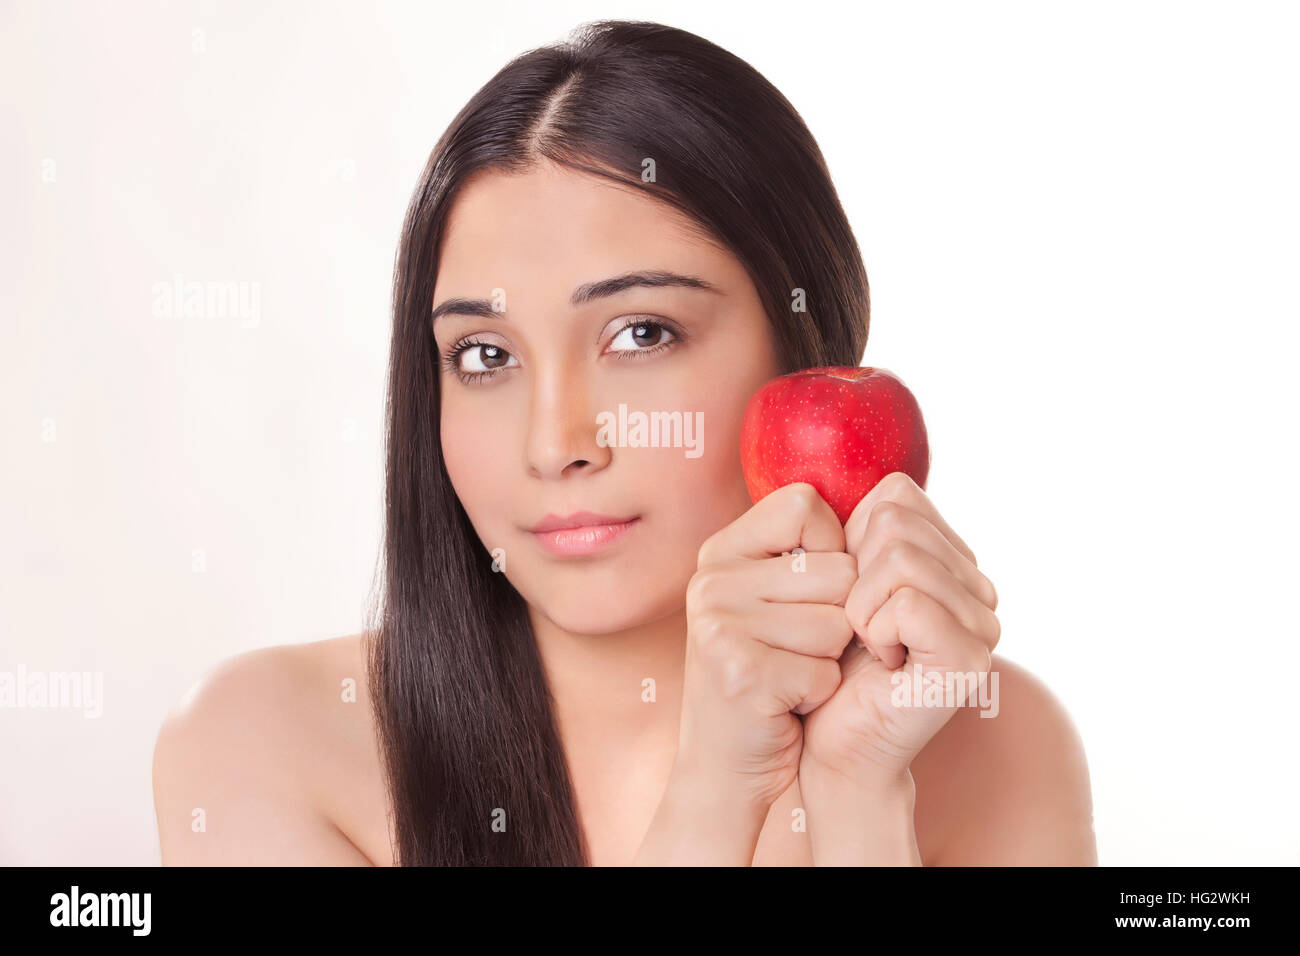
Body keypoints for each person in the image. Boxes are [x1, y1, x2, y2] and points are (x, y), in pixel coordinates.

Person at [153, 19, 1096, 866]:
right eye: (483, 354)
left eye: (640, 333)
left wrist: (855, 799)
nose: (554, 444)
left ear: (805, 357)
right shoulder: (263, 744)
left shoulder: (998, 746)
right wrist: (715, 798)